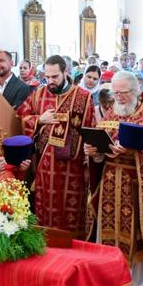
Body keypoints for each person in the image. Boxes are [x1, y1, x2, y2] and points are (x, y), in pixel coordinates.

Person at [84, 71, 143, 286]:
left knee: (133, 231)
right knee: (107, 228)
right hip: (109, 181)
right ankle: (109, 276)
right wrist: (94, 152)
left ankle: (135, 280)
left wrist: (134, 151)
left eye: (123, 93)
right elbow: (100, 147)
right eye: (115, 93)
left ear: (134, 91)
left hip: (135, 185)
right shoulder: (110, 112)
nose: (119, 98)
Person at [16, 55, 95, 235]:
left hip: (72, 168)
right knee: (47, 210)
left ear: (65, 72)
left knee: (71, 212)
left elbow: (91, 128)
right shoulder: (38, 94)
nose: (50, 81)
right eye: (47, 77)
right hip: (45, 167)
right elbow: (21, 116)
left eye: (55, 77)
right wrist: (39, 120)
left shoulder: (84, 96)